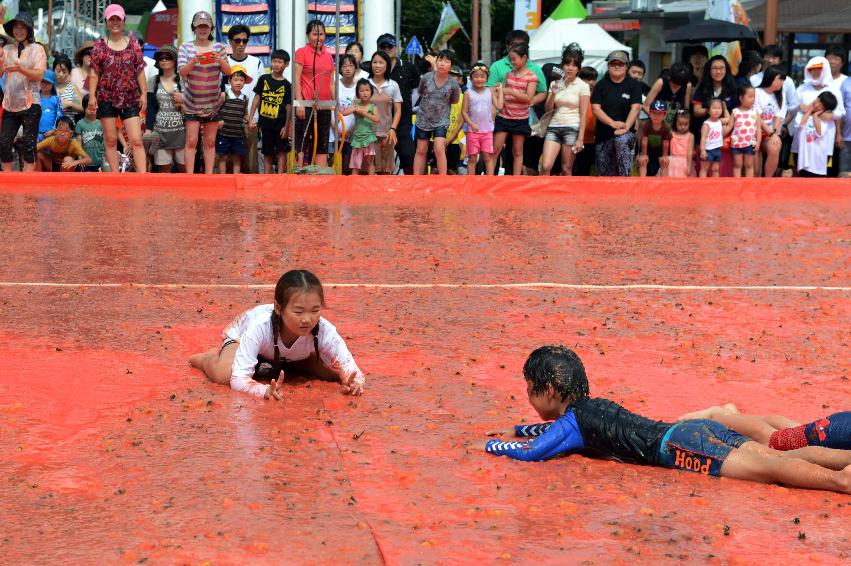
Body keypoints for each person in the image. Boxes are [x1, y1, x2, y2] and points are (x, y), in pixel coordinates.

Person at [476, 345, 851, 494]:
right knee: (778, 458)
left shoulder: (572, 424)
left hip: (680, 447)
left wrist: (492, 445)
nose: (527, 398)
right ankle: (844, 464)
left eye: (529, 390)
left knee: (773, 469)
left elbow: (533, 452)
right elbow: (552, 432)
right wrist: (518, 428)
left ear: (551, 391)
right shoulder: (587, 408)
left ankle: (840, 481)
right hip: (690, 430)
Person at [189, 269, 365, 400]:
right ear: (278, 308)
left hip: (286, 355)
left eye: (315, 310)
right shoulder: (259, 327)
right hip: (240, 339)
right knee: (224, 375)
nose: (307, 319)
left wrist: (354, 383)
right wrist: (263, 390)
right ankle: (208, 357)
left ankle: (283, 364)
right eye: (298, 312)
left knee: (333, 374)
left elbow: (352, 368)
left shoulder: (325, 330)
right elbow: (239, 380)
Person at [88, 4, 146, 174]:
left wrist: (144, 94)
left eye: (118, 19)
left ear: (123, 21)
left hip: (130, 97)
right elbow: (94, 73)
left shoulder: (133, 44)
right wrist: (92, 96)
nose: (115, 22)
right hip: (106, 97)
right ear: (106, 22)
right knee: (111, 140)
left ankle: (142, 177)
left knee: (136, 140)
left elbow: (140, 70)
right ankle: (115, 177)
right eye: (111, 19)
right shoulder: (99, 46)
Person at [678, 405, 851, 456]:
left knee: (795, 429)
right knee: (774, 440)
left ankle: (731, 416)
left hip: (842, 424)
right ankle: (715, 416)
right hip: (841, 430)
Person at [178, 11, 230, 175]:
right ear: (193, 27)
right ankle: (189, 177)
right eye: (199, 26)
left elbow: (229, 71)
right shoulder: (185, 47)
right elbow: (182, 72)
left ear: (211, 28)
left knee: (209, 142)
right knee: (191, 141)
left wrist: (219, 60)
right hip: (191, 102)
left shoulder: (219, 48)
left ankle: (208, 176)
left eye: (205, 26)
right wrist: (193, 61)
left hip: (213, 102)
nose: (202, 29)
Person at [0, 11, 47, 172]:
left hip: (31, 103)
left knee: (28, 144)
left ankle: (27, 182)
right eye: (16, 27)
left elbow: (40, 74)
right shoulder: (6, 49)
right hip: (10, 104)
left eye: (22, 27)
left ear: (29, 30)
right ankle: (7, 180)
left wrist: (21, 69)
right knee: (4, 143)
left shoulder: (37, 49)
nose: (18, 30)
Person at [540, 44, 588, 177]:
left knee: (566, 168)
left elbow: (583, 114)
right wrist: (554, 93)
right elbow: (548, 109)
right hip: (554, 126)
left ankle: (568, 197)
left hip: (572, 127)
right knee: (546, 165)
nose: (570, 68)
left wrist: (580, 138)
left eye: (574, 65)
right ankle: (540, 193)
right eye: (567, 64)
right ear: (562, 66)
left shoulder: (583, 86)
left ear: (578, 68)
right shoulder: (555, 83)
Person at [788, 57, 844, 171]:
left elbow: (841, 112)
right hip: (803, 136)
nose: (815, 72)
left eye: (819, 69)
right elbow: (791, 109)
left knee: (821, 170)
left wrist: (831, 115)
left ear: (825, 70)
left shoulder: (834, 89)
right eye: (811, 69)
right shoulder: (802, 89)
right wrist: (799, 107)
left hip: (824, 136)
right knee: (799, 168)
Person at [375, 34, 420, 175]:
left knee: (408, 156)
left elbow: (417, 89)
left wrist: (409, 106)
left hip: (402, 121)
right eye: (383, 46)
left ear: (396, 48)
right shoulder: (371, 66)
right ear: (378, 48)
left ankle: (412, 189)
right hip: (379, 122)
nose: (387, 49)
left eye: (390, 46)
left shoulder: (408, 67)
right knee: (382, 162)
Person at [592, 50, 642, 177]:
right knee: (603, 175)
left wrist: (625, 127)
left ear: (626, 66)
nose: (617, 66)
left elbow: (636, 108)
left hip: (626, 133)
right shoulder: (601, 85)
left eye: (620, 64)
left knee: (621, 140)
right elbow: (596, 108)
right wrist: (612, 123)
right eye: (613, 64)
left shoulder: (634, 85)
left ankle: (625, 180)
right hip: (603, 136)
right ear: (608, 66)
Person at [413, 49, 461, 175]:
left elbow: (455, 101)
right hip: (423, 118)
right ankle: (416, 180)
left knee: (439, 148)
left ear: (451, 65)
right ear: (436, 61)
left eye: (446, 61)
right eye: (440, 60)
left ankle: (442, 179)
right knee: (421, 150)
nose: (442, 63)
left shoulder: (453, 84)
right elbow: (420, 93)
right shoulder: (426, 78)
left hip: (441, 120)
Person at [294, 19, 335, 167]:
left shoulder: (329, 56)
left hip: (324, 105)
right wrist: (299, 103)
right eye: (315, 34)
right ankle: (298, 173)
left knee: (322, 141)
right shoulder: (301, 52)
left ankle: (321, 175)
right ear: (307, 35)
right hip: (306, 104)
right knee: (301, 140)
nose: (319, 38)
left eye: (322, 34)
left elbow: (331, 82)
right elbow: (297, 79)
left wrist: (335, 101)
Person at [225, 24, 265, 174]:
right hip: (228, 120)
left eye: (244, 40)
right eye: (237, 40)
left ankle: (253, 194)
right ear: (230, 41)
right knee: (227, 160)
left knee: (250, 160)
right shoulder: (225, 63)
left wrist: (256, 118)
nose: (241, 44)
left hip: (251, 120)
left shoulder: (257, 63)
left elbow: (261, 94)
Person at [491, 44, 536, 176]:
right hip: (504, 116)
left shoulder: (531, 77)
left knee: (517, 151)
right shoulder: (509, 75)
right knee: (495, 150)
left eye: (514, 59)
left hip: (520, 119)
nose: (512, 62)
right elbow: (503, 95)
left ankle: (515, 180)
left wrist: (510, 91)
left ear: (524, 58)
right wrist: (499, 93)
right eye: (510, 59)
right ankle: (489, 178)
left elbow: (528, 98)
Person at [692, 55, 738, 176]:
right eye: (714, 68)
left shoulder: (733, 88)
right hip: (705, 136)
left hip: (726, 138)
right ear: (709, 70)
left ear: (726, 70)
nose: (718, 71)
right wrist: (713, 111)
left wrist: (726, 130)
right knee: (704, 169)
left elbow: (736, 111)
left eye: (721, 68)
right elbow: (696, 111)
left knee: (720, 171)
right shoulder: (702, 88)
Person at [249, 49, 291, 174]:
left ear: (286, 64)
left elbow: (289, 107)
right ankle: (266, 177)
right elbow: (257, 98)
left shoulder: (287, 85)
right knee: (267, 152)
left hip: (280, 125)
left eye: (280, 62)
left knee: (282, 152)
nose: (277, 64)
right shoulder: (263, 79)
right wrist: (251, 118)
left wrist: (287, 126)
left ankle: (280, 178)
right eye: (274, 61)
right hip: (265, 125)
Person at [146, 45, 185, 173]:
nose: (163, 60)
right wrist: (148, 129)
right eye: (161, 58)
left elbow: (194, 104)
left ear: (175, 60)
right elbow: (151, 108)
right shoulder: (153, 81)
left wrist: (184, 99)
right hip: (160, 134)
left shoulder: (183, 80)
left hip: (182, 133)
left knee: (185, 171)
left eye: (167, 57)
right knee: (164, 173)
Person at [462, 62, 502, 176]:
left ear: (487, 78)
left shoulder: (489, 91)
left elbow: (499, 106)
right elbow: (464, 112)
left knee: (488, 157)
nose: (479, 79)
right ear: (471, 78)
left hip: (487, 131)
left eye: (482, 76)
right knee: (472, 158)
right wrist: (471, 124)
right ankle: (471, 183)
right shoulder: (468, 93)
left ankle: (489, 182)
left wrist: (501, 91)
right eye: (476, 76)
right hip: (472, 131)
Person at [367, 50, 402, 175]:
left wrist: (393, 129)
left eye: (381, 63)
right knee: (370, 169)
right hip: (368, 133)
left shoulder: (393, 85)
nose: (377, 65)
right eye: (374, 62)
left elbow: (398, 111)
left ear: (387, 65)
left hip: (387, 134)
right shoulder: (365, 84)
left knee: (386, 170)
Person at [216, 66, 250, 174]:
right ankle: (223, 179)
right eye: (235, 80)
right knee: (223, 157)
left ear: (245, 82)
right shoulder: (223, 95)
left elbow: (245, 114)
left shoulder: (245, 98)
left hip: (238, 134)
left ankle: (236, 179)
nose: (238, 82)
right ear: (229, 81)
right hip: (223, 133)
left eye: (241, 80)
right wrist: (219, 119)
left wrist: (250, 120)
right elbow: (215, 110)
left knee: (237, 158)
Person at [754, 65, 786, 178]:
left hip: (769, 132)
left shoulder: (780, 95)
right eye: (780, 79)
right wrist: (771, 133)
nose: (782, 82)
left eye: (783, 80)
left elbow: (778, 116)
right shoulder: (757, 92)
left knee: (775, 146)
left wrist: (775, 133)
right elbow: (757, 117)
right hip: (754, 131)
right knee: (755, 166)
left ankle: (768, 179)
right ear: (770, 77)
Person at [796, 91, 837, 178]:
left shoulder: (825, 120)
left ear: (825, 109)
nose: (817, 105)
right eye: (818, 100)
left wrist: (815, 117)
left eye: (821, 105)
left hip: (818, 161)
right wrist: (809, 111)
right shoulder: (801, 114)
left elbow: (819, 133)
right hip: (805, 158)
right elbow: (800, 126)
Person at [342, 78, 379, 175]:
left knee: (370, 162)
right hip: (357, 139)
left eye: (367, 90)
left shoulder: (373, 107)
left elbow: (377, 119)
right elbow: (344, 113)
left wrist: (364, 113)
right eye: (361, 91)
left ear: (371, 91)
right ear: (358, 93)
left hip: (369, 138)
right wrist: (354, 107)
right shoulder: (356, 105)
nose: (365, 93)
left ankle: (372, 182)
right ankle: (354, 184)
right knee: (355, 164)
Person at [644, 62, 692, 127]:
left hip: (676, 126)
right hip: (657, 124)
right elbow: (646, 106)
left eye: (681, 84)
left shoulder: (687, 86)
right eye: (675, 83)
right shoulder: (660, 83)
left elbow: (686, 110)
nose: (677, 86)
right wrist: (659, 119)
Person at [730, 85, 761, 177]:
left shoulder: (755, 112)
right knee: (737, 165)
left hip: (750, 143)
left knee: (749, 165)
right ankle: (736, 185)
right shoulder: (735, 111)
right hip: (736, 143)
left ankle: (749, 185)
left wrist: (758, 142)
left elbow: (758, 128)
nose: (753, 99)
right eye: (750, 96)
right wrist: (721, 137)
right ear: (741, 98)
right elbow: (730, 126)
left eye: (754, 97)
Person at [572, 66, 598, 176]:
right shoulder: (574, 96)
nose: (591, 82)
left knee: (586, 172)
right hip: (575, 140)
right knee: (573, 171)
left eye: (593, 79)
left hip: (593, 142)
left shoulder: (598, 96)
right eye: (587, 79)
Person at [638, 99, 671, 177]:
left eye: (659, 113)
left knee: (664, 162)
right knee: (643, 161)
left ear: (665, 115)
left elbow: (666, 142)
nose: (656, 116)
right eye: (654, 113)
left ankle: (664, 183)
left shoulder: (666, 127)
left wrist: (665, 155)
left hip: (660, 150)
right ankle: (642, 181)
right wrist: (644, 154)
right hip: (647, 149)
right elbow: (644, 141)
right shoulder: (646, 125)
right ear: (649, 113)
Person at [699, 98, 731, 178]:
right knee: (704, 168)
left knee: (716, 168)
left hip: (717, 149)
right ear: (708, 111)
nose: (716, 110)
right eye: (714, 108)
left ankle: (715, 185)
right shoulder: (706, 124)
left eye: (719, 108)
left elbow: (728, 119)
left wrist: (725, 108)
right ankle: (701, 185)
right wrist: (703, 150)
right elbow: (703, 138)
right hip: (708, 150)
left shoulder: (720, 121)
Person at [75, 94, 106, 171]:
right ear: (84, 107)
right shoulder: (80, 124)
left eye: (94, 107)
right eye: (89, 107)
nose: (92, 109)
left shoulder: (102, 123)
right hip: (86, 163)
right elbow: (79, 144)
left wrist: (105, 158)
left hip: (100, 162)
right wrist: (79, 158)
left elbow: (105, 142)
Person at [445, 66, 466, 174]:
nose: (451, 78)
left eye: (454, 76)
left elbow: (461, 122)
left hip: (454, 140)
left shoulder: (463, 97)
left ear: (460, 80)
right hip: (437, 139)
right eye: (449, 75)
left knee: (452, 170)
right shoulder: (440, 94)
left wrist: (449, 140)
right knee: (435, 168)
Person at [53, 55, 83, 121]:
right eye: (58, 71)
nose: (61, 74)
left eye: (64, 72)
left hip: (68, 128)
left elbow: (82, 108)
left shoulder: (72, 88)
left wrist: (69, 104)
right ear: (53, 70)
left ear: (69, 72)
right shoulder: (48, 86)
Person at [37, 69, 62, 142]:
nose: (45, 84)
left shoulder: (56, 99)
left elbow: (59, 116)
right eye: (42, 81)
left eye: (48, 82)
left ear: (53, 84)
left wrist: (54, 130)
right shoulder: (35, 98)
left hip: (51, 134)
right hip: (36, 134)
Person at [666, 110, 693, 177]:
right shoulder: (671, 134)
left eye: (686, 124)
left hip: (685, 163)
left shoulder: (690, 136)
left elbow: (690, 152)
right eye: (680, 124)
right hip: (672, 163)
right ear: (675, 123)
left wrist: (689, 166)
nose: (683, 127)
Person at [840, 73, 851, 176]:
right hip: (847, 138)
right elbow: (840, 109)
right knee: (844, 175)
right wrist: (838, 134)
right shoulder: (846, 83)